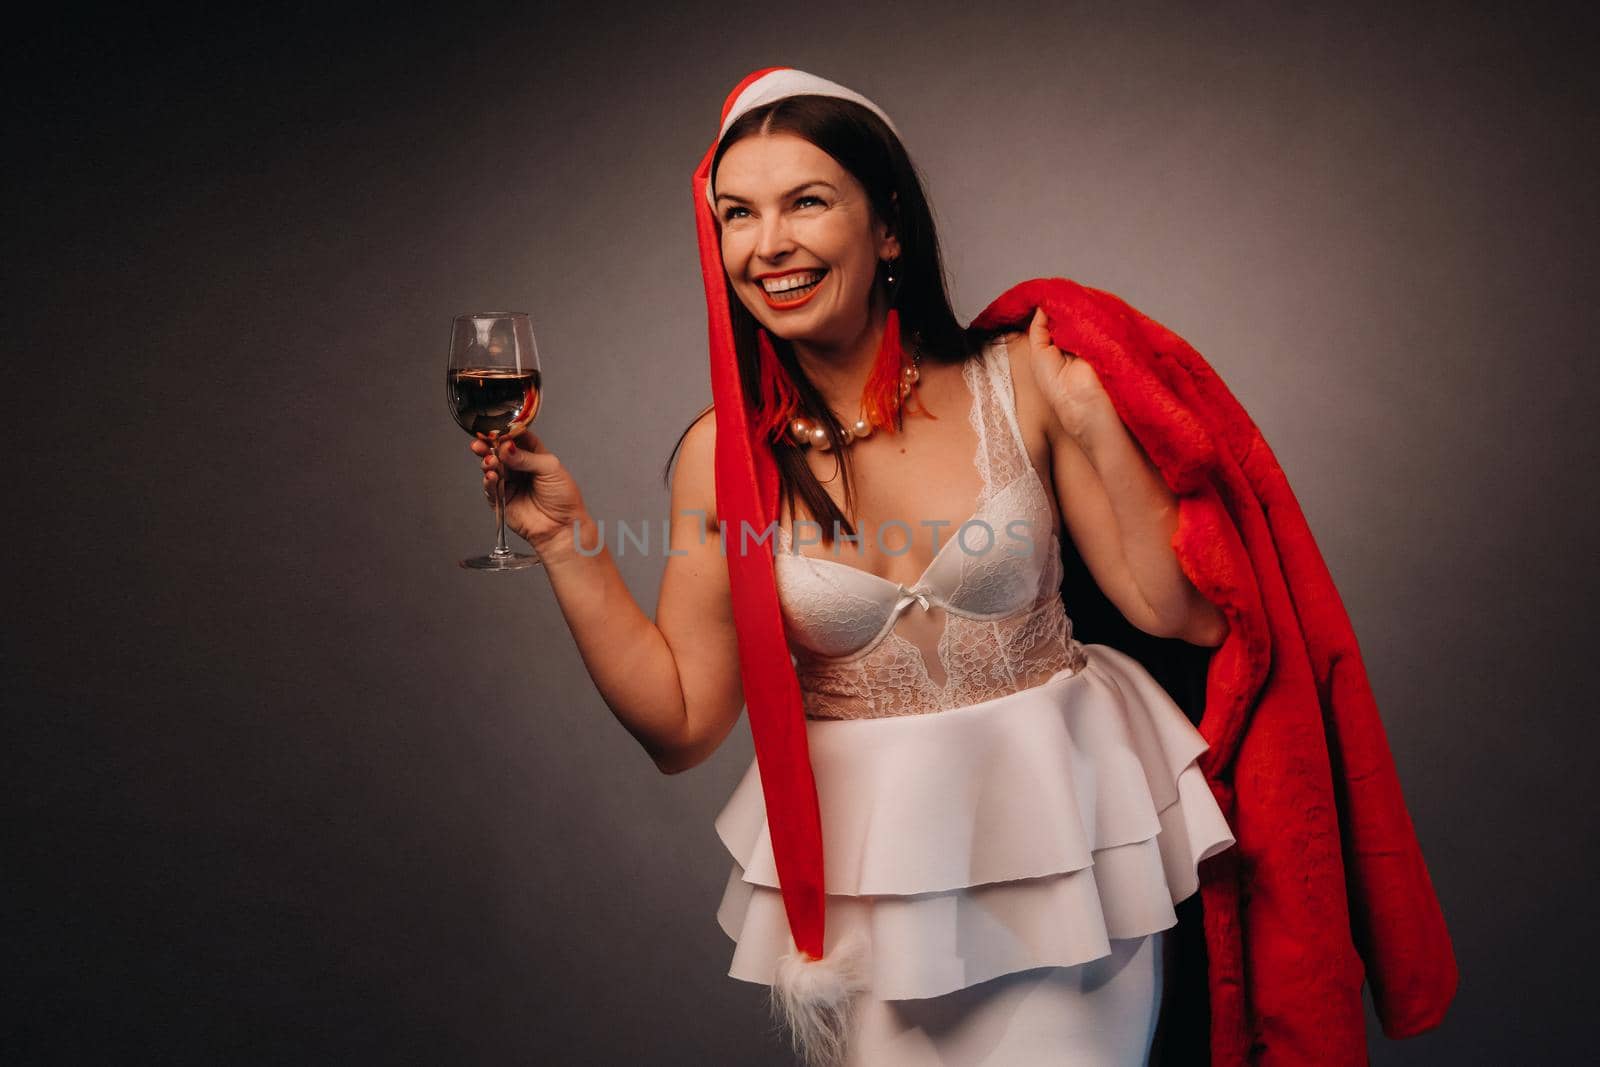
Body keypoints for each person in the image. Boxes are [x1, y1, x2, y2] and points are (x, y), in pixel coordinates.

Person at [470, 70, 1239, 1065]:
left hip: (1070, 842)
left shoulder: (1022, 384)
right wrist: (562, 538)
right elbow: (681, 725)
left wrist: (1094, 418)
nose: (767, 243)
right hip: (876, 882)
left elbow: (1176, 609)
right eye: (736, 214)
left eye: (805, 202)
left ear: (887, 229)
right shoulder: (725, 457)